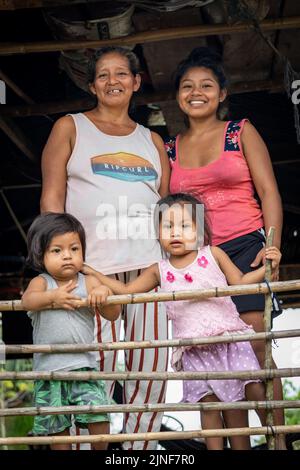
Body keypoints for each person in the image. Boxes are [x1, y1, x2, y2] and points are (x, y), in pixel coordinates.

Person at [40, 46, 170, 450]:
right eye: (103, 75)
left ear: (136, 82)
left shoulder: (153, 141)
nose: (112, 81)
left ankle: (137, 454)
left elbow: (166, 208)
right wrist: (63, 264)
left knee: (150, 374)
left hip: (149, 272)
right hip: (92, 273)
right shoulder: (71, 127)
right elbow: (51, 200)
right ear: (92, 84)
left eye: (121, 74)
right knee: (94, 373)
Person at [83, 193, 282, 450]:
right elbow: (127, 292)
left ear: (200, 230)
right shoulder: (159, 269)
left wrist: (266, 270)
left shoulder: (213, 254)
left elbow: (241, 283)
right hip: (195, 351)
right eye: (168, 226)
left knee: (245, 402)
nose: (176, 233)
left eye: (185, 226)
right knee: (209, 410)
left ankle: (277, 440)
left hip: (230, 342)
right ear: (158, 232)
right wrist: (96, 275)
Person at [164, 47, 285, 448]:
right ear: (178, 96)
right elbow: (165, 211)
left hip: (246, 249)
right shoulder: (170, 149)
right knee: (216, 358)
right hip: (200, 261)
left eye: (206, 85)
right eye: (187, 86)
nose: (196, 92)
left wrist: (273, 248)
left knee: (254, 352)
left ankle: (278, 442)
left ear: (222, 93)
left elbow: (269, 192)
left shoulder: (240, 131)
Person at [22, 212, 121, 451]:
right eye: (57, 250)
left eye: (74, 249)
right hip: (49, 373)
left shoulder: (88, 282)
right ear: (40, 255)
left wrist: (104, 294)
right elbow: (28, 301)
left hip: (84, 367)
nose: (67, 255)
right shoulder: (42, 282)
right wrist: (52, 297)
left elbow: (114, 313)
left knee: (98, 418)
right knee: (57, 430)